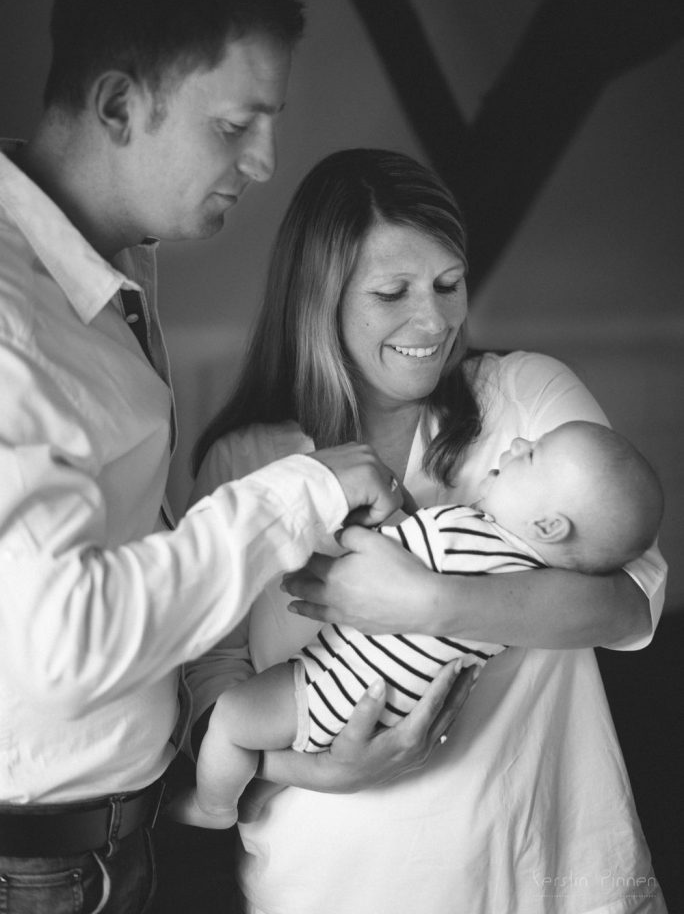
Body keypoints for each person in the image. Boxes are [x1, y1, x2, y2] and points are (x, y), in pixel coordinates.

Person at [0, 0, 467, 914]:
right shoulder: (10, 320)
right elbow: (60, 645)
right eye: (234, 125)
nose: (263, 162)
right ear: (121, 105)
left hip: (116, 834)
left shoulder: (99, 268)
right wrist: (295, 494)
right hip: (37, 874)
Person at [186, 148, 668, 913]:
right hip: (324, 879)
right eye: (392, 292)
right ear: (320, 300)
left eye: (449, 285)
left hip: (534, 869)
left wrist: (427, 602)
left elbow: (627, 603)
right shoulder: (246, 460)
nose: (435, 320)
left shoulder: (524, 399)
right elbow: (212, 672)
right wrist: (317, 769)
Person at [174, 419, 663, 828]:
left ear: (550, 526)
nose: (516, 444)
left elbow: (372, 557)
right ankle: (261, 789)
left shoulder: (457, 532)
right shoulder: (532, 584)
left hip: (333, 686)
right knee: (283, 730)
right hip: (396, 709)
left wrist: (342, 509)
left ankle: (213, 807)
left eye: (532, 456)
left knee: (231, 719)